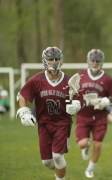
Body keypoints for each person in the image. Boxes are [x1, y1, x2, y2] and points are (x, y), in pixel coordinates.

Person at [16, 46, 81, 180]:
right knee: (48, 162)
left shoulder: (69, 81)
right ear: (45, 60)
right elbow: (23, 95)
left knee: (57, 156)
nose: (54, 62)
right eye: (51, 59)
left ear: (61, 60)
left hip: (62, 123)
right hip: (44, 124)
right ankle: (60, 170)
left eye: (57, 59)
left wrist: (76, 104)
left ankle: (60, 178)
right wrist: (24, 111)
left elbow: (79, 98)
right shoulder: (37, 80)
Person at [75, 49, 112, 178]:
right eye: (93, 60)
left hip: (100, 117)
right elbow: (72, 94)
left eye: (97, 61)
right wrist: (75, 102)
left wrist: (107, 101)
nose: (95, 63)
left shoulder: (106, 79)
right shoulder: (81, 76)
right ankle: (86, 147)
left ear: (101, 62)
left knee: (98, 144)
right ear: (89, 61)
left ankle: (90, 168)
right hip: (83, 116)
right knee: (83, 143)